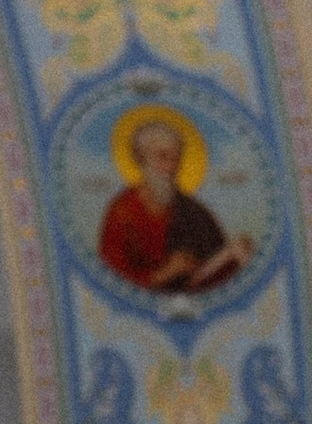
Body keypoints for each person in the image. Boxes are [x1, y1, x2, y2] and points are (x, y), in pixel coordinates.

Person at [96, 113, 254, 297]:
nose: (171, 167)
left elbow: (215, 275)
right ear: (141, 158)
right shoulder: (123, 211)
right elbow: (110, 281)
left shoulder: (194, 212)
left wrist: (231, 255)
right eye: (162, 157)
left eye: (176, 158)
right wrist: (165, 273)